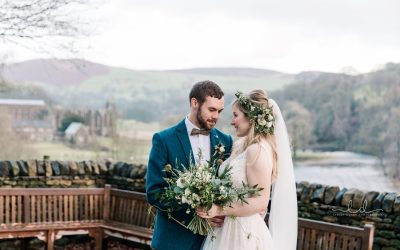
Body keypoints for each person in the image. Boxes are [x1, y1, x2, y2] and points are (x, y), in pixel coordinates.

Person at [197, 89, 298, 250]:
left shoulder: (258, 150)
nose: (232, 121)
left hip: (243, 234)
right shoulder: (241, 146)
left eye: (236, 115)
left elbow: (260, 202)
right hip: (227, 228)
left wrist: (218, 209)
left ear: (251, 118)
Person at [146, 80, 234, 250]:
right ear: (195, 103)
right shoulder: (164, 140)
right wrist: (197, 213)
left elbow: (230, 186)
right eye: (211, 109)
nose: (216, 116)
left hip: (214, 241)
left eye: (220, 111)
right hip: (173, 241)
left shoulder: (226, 142)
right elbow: (154, 192)